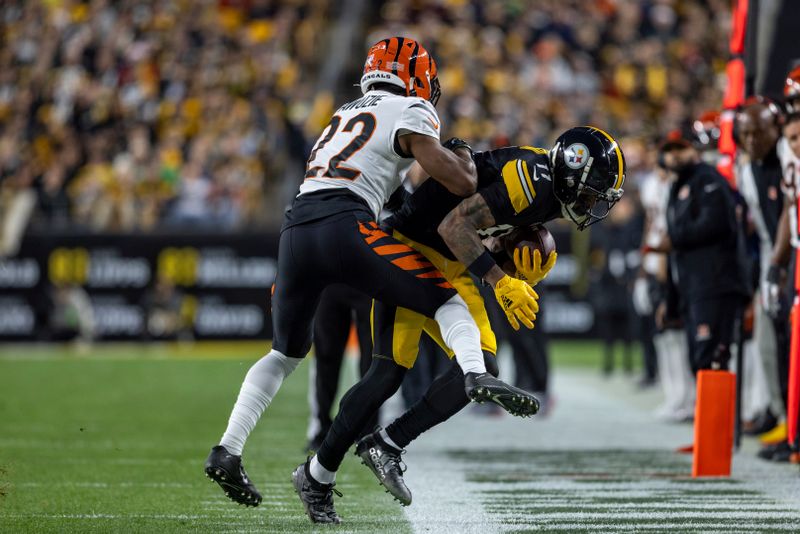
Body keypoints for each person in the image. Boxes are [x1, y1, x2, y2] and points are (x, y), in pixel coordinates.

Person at [204, 37, 540, 515]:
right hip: (345, 224)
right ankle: (476, 373)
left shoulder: (342, 113)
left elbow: (394, 194)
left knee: (283, 353)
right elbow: (460, 182)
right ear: (414, 76)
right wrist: (462, 153)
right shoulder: (410, 109)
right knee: (445, 299)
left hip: (296, 229)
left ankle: (228, 449)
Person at [294, 126, 625, 520]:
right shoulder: (531, 181)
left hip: (447, 261)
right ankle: (320, 474)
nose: (591, 207)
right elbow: (455, 225)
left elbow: (492, 232)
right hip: (411, 248)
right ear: (572, 175)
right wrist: (501, 282)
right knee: (386, 373)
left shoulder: (549, 191)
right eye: (589, 195)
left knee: (481, 366)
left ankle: (383, 444)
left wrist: (512, 264)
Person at [657, 129, 749, 374]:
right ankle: (708, 413)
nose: (674, 156)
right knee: (700, 361)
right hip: (693, 287)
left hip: (715, 284)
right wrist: (671, 300)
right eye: (669, 151)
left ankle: (717, 414)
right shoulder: (677, 187)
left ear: (693, 149)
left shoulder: (708, 179)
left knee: (712, 358)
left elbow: (716, 223)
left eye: (680, 149)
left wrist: (675, 239)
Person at [734, 98, 788, 439]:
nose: (752, 140)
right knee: (768, 345)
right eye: (746, 134)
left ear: (776, 129)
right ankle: (781, 415)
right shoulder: (746, 168)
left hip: (786, 258)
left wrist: (777, 265)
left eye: (759, 132)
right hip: (769, 256)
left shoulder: (787, 157)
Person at [305, 285, 373, 453]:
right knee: (326, 356)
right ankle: (322, 427)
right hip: (331, 278)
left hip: (369, 277)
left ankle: (368, 430)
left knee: (372, 359)